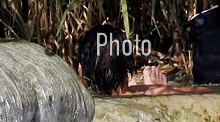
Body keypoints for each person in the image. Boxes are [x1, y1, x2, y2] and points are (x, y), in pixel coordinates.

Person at [75, 25, 207, 96]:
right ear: (128, 71)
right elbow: (212, 94)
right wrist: (164, 95)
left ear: (80, 70)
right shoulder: (152, 94)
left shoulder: (74, 106)